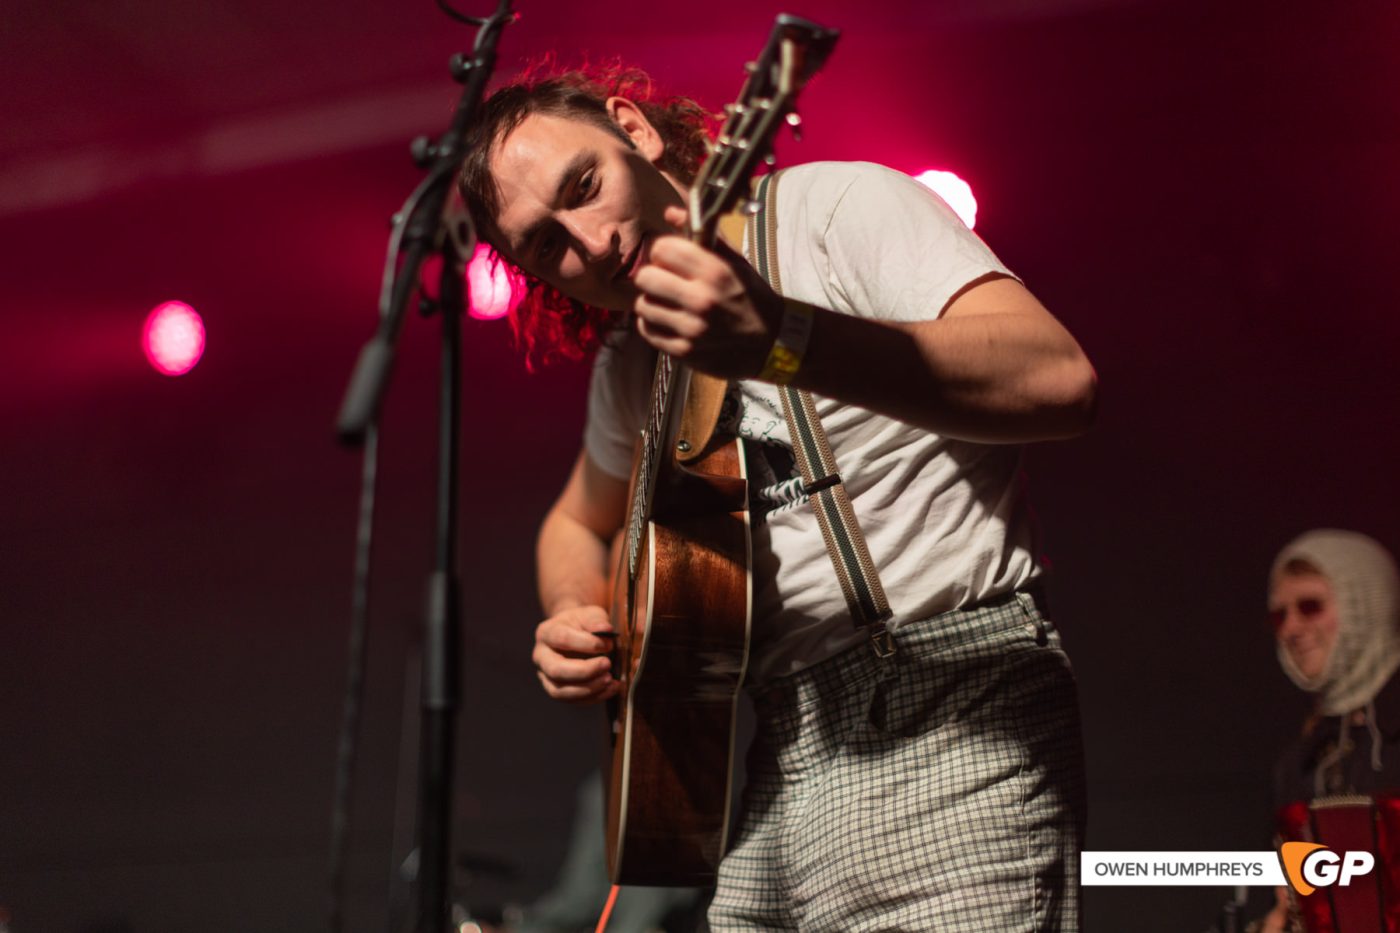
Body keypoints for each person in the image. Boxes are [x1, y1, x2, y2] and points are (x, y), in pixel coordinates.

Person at [458, 65, 1097, 931]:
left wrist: (784, 341)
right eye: (546, 244)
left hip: (956, 707)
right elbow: (574, 522)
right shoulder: (632, 365)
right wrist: (575, 608)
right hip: (776, 760)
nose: (593, 241)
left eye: (585, 185)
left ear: (634, 131)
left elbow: (1059, 379)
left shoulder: (834, 212)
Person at [1253, 529, 1400, 933]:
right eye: (1279, 615)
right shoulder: (1297, 763)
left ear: (1366, 606)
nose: (1291, 629)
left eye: (1310, 606)